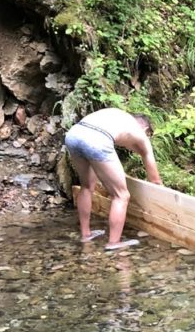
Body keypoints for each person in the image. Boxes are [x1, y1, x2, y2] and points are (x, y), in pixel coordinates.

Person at [64, 107, 162, 250]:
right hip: (97, 139)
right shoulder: (139, 133)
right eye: (148, 134)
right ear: (145, 128)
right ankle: (114, 243)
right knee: (121, 195)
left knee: (86, 186)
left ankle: (86, 234)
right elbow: (155, 180)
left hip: (74, 134)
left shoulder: (117, 117)